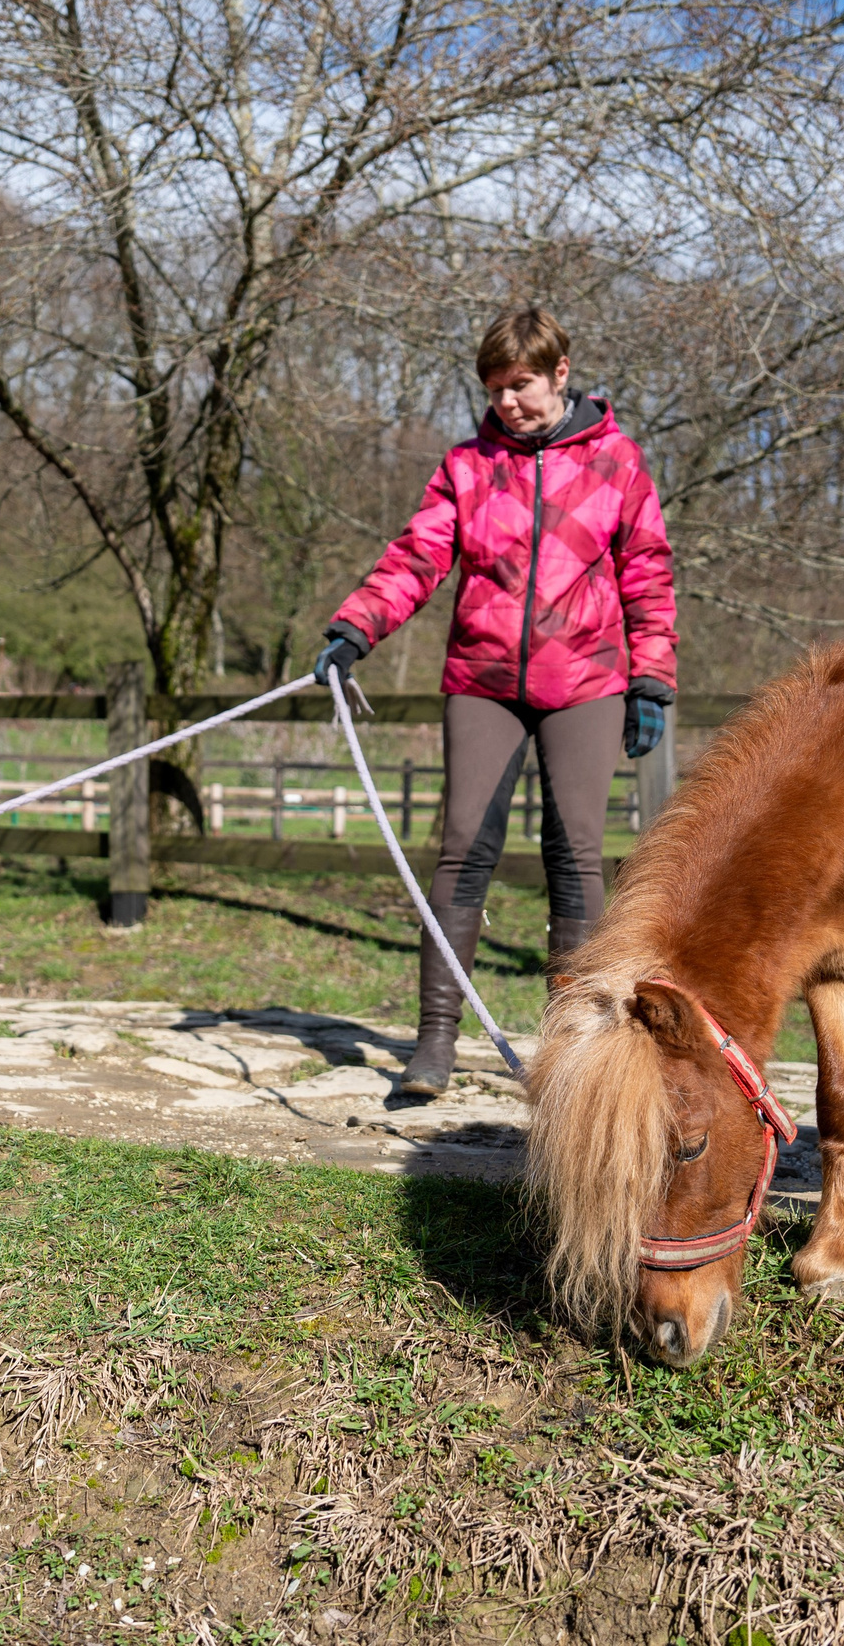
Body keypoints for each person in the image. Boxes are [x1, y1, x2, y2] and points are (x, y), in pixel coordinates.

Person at [316, 306, 676, 1098]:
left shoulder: (617, 462)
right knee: (461, 850)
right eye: (494, 388)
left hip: (587, 680)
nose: (509, 400)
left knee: (575, 855)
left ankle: (568, 1050)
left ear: (560, 373)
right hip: (482, 681)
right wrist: (354, 629)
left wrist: (651, 677)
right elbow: (415, 557)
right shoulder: (468, 467)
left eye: (521, 384)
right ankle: (435, 1043)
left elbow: (646, 568)